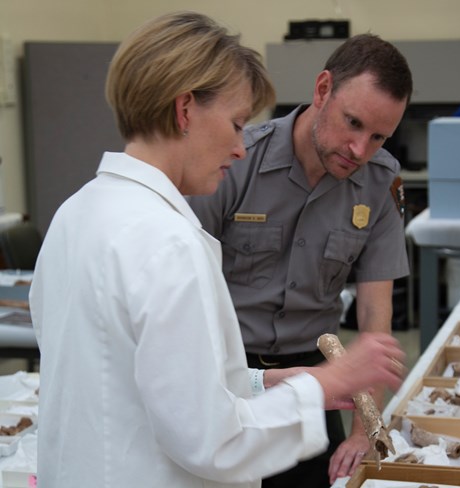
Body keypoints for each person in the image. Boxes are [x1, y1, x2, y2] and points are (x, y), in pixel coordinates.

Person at [29, 11, 406, 488]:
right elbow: (215, 442)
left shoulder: (76, 213)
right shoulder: (169, 242)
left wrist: (266, 383)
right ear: (186, 110)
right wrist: (323, 382)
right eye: (236, 123)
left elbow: (146, 375)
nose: (240, 148)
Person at [188, 33, 413, 486]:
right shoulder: (235, 162)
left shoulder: (380, 184)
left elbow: (374, 319)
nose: (359, 150)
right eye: (352, 123)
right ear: (323, 89)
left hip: (315, 383)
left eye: (378, 137)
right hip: (227, 380)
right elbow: (182, 287)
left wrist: (364, 432)